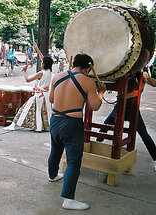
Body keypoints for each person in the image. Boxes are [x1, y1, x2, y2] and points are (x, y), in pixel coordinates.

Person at [48, 54, 106, 210]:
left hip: (54, 120)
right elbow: (95, 106)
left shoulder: (57, 76)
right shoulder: (87, 81)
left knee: (55, 151)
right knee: (73, 162)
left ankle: (52, 176)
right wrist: (101, 92)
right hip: (71, 124)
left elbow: (51, 99)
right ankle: (68, 199)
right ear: (88, 68)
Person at [97, 69, 156, 173]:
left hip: (133, 109)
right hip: (119, 107)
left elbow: (154, 84)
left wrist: (147, 78)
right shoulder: (122, 71)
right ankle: (95, 150)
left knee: (144, 135)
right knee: (104, 129)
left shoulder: (141, 73)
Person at [4, 43, 53, 131]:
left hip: (39, 95)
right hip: (45, 95)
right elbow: (43, 58)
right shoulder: (49, 71)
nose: (41, 63)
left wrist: (25, 71)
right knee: (43, 111)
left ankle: (13, 125)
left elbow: (27, 80)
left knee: (23, 109)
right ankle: (41, 126)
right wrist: (37, 49)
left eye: (42, 63)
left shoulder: (40, 73)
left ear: (44, 64)